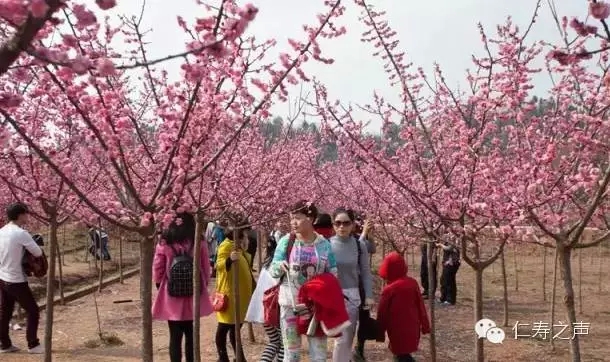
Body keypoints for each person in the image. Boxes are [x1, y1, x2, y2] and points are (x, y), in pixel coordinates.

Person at [270, 200, 338, 362]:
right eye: (292, 218)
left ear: (312, 219)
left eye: (298, 218)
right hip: (290, 305)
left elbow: (334, 274)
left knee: (319, 356)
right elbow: (273, 270)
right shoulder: (286, 242)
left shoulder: (324, 245)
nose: (293, 222)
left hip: (316, 307)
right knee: (291, 355)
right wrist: (280, 266)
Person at [152, 212, 213, 362]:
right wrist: (201, 285)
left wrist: (160, 284)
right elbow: (206, 267)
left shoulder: (165, 241)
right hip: (193, 294)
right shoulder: (198, 240)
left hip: (171, 293)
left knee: (174, 336)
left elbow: (158, 268)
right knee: (191, 334)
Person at [329, 208, 373, 362]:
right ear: (333, 224)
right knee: (340, 340)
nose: (342, 226)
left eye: (346, 223)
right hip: (330, 296)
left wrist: (369, 295)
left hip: (351, 297)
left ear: (353, 224)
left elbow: (366, 272)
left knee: (346, 339)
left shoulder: (359, 245)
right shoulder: (326, 244)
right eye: (338, 223)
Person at [0, 203, 43, 354]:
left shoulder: (2, 231)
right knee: (33, 311)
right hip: (16, 279)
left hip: (3, 277)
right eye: (26, 213)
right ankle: (33, 344)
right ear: (20, 215)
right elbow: (37, 252)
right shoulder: (21, 233)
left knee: (5, 312)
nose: (27, 216)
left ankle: (4, 344)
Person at [377, 252, 430, 362]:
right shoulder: (413, 283)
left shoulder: (389, 289)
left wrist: (380, 331)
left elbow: (382, 312)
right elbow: (421, 306)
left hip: (396, 328)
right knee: (404, 354)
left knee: (401, 355)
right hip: (413, 325)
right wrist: (425, 325)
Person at [214, 224, 254, 362]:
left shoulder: (237, 246)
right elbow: (218, 265)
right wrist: (229, 259)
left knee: (235, 328)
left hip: (240, 296)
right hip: (230, 295)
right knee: (225, 327)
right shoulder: (226, 245)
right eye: (244, 234)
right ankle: (224, 357)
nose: (246, 237)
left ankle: (239, 358)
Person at [245, 235, 284, 362]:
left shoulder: (266, 264)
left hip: (262, 311)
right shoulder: (280, 266)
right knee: (283, 343)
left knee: (274, 341)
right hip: (275, 310)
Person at [437, 240, 460, 305]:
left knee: (449, 281)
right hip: (446, 262)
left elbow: (449, 248)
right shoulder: (447, 237)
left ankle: (450, 300)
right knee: (443, 280)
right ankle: (443, 298)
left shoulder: (454, 237)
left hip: (451, 263)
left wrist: (440, 245)